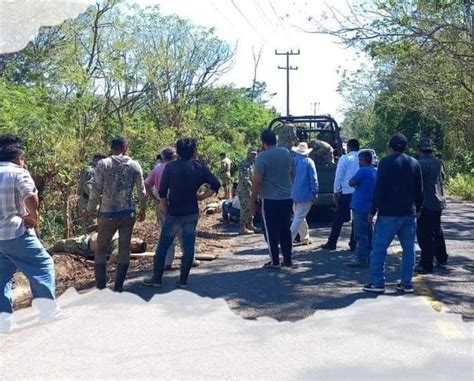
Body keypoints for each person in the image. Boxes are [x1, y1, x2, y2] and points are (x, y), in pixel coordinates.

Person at [0, 141, 61, 333]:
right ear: (18, 158)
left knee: (2, 277)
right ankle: (48, 311)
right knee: (42, 265)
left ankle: (4, 322)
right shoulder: (18, 172)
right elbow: (31, 196)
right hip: (15, 232)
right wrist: (33, 217)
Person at [143, 138, 220, 288]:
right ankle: (183, 281)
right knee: (189, 244)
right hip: (191, 212)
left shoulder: (170, 167)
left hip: (174, 212)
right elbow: (216, 184)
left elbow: (162, 190)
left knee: (163, 245)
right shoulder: (199, 167)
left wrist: (163, 205)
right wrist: (202, 196)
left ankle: (157, 279)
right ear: (194, 151)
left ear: (178, 151)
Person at [84, 137, 146, 292]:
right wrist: (143, 209)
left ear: (111, 148)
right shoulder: (134, 165)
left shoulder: (103, 164)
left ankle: (101, 287)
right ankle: (118, 286)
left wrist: (89, 209)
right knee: (124, 248)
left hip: (108, 213)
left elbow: (96, 189)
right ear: (125, 148)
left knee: (101, 248)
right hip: (128, 212)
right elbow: (141, 191)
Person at [363, 133, 423, 294]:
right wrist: (418, 208)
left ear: (390, 146)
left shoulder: (385, 163)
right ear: (405, 147)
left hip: (388, 213)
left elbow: (379, 189)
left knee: (379, 249)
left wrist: (372, 211)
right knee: (409, 249)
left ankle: (377, 283)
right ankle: (406, 283)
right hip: (409, 213)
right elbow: (419, 189)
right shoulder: (414, 163)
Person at [252, 130, 294, 268]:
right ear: (275, 140)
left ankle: (275, 261)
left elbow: (257, 180)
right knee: (285, 229)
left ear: (263, 142)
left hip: (270, 199)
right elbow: (292, 172)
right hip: (287, 197)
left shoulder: (262, 157)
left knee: (271, 231)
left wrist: (253, 199)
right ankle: (287, 259)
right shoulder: (286, 153)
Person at [144, 147, 183, 269]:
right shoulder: (179, 167)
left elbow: (146, 184)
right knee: (183, 231)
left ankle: (167, 262)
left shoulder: (157, 169)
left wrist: (155, 200)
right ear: (175, 156)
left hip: (162, 203)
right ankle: (189, 258)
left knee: (166, 232)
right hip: (179, 203)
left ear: (162, 157)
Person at [415, 138, 448, 274]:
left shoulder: (420, 164)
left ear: (419, 149)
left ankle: (426, 264)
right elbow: (443, 178)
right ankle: (441, 257)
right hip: (438, 201)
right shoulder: (438, 162)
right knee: (437, 230)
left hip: (426, 202)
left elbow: (416, 183)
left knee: (425, 234)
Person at [321, 139, 360, 251]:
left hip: (346, 192)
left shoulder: (345, 158)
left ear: (348, 147)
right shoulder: (362, 158)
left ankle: (332, 242)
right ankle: (354, 243)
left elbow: (339, 176)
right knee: (356, 219)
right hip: (358, 192)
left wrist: (336, 190)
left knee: (338, 219)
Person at [347, 150, 377, 268]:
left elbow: (351, 182)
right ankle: (371, 257)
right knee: (369, 233)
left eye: (360, 160)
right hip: (370, 206)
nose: (359, 163)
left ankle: (362, 259)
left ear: (364, 160)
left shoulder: (362, 171)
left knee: (360, 234)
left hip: (360, 206)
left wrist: (355, 185)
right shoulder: (375, 171)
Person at [290, 142, 319, 246]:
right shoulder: (309, 162)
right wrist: (315, 193)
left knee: (299, 216)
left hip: (293, 194)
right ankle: (288, 240)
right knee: (298, 218)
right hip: (305, 194)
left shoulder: (292, 161)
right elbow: (314, 179)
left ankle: (304, 238)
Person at [49, 232, 147, 258]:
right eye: (138, 238)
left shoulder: (120, 244)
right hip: (86, 239)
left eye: (137, 241)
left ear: (134, 245)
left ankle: (45, 253)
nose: (136, 238)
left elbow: (115, 254)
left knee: (60, 244)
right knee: (60, 244)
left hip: (82, 245)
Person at [77, 153, 107, 233]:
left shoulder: (88, 169)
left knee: (87, 224)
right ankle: (86, 243)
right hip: (88, 201)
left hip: (85, 200)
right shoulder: (92, 170)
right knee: (90, 226)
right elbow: (87, 186)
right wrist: (96, 198)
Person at [237, 148, 258, 235]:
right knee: (245, 208)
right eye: (252, 154)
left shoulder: (252, 163)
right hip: (244, 190)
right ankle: (242, 227)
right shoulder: (244, 164)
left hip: (250, 189)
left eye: (255, 154)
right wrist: (253, 187)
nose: (253, 156)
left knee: (250, 207)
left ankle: (250, 225)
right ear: (248, 153)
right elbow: (246, 178)